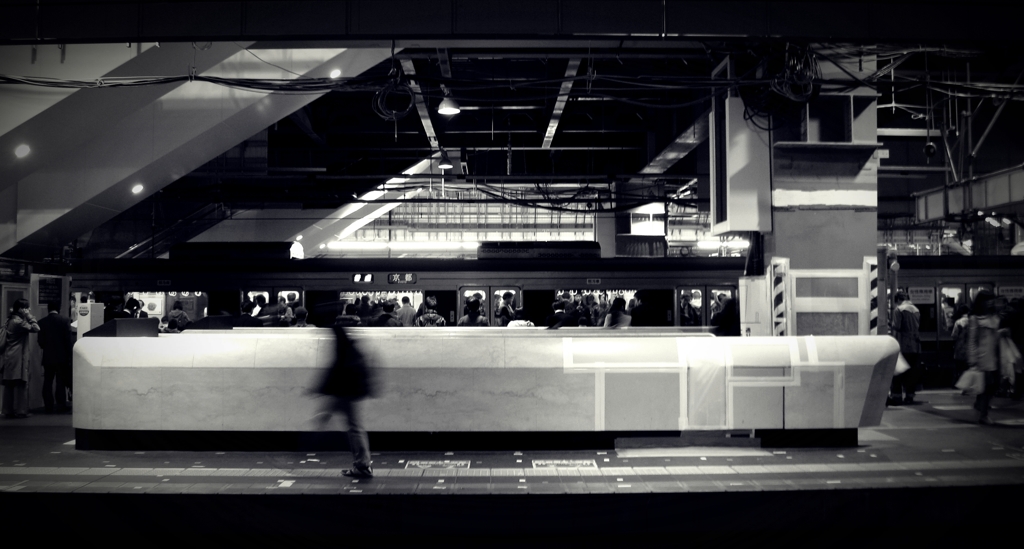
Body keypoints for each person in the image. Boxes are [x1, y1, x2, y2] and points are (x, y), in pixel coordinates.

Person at [314, 325, 375, 478]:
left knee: (354, 427)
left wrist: (321, 388)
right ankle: (362, 464)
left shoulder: (343, 349)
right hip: (349, 391)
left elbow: (336, 370)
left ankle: (362, 465)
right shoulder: (351, 347)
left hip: (346, 391)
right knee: (354, 426)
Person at [968, 290, 1003, 424]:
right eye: (987, 300)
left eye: (991, 300)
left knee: (994, 385)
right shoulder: (975, 318)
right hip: (982, 357)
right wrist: (972, 359)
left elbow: (995, 336)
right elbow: (972, 340)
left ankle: (981, 406)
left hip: (996, 355)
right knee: (987, 386)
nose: (990, 302)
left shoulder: (994, 316)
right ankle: (983, 414)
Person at [1, 298, 40, 418]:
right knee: (23, 383)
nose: (29, 310)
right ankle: (22, 410)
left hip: (9, 356)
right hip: (18, 357)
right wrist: (29, 316)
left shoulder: (9, 320)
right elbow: (36, 328)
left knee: (9, 384)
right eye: (26, 308)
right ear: (20, 309)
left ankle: (7, 410)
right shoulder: (18, 322)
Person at [37, 301, 74, 414]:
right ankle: (61, 405)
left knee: (47, 381)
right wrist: (69, 356)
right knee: (60, 382)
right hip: (62, 357)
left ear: (48, 309)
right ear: (59, 308)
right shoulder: (64, 321)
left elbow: (41, 342)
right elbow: (68, 341)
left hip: (48, 357)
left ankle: (48, 406)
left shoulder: (41, 322)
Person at [889, 291, 922, 406]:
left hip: (903, 344)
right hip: (916, 345)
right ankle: (909, 396)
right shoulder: (916, 309)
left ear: (897, 299)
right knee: (912, 372)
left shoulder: (899, 309)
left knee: (898, 371)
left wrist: (890, 323)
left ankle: (897, 397)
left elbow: (896, 326)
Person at [950, 305, 972, 387]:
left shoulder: (958, 322)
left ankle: (962, 384)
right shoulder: (972, 321)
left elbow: (954, 335)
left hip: (960, 346)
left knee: (960, 366)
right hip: (970, 346)